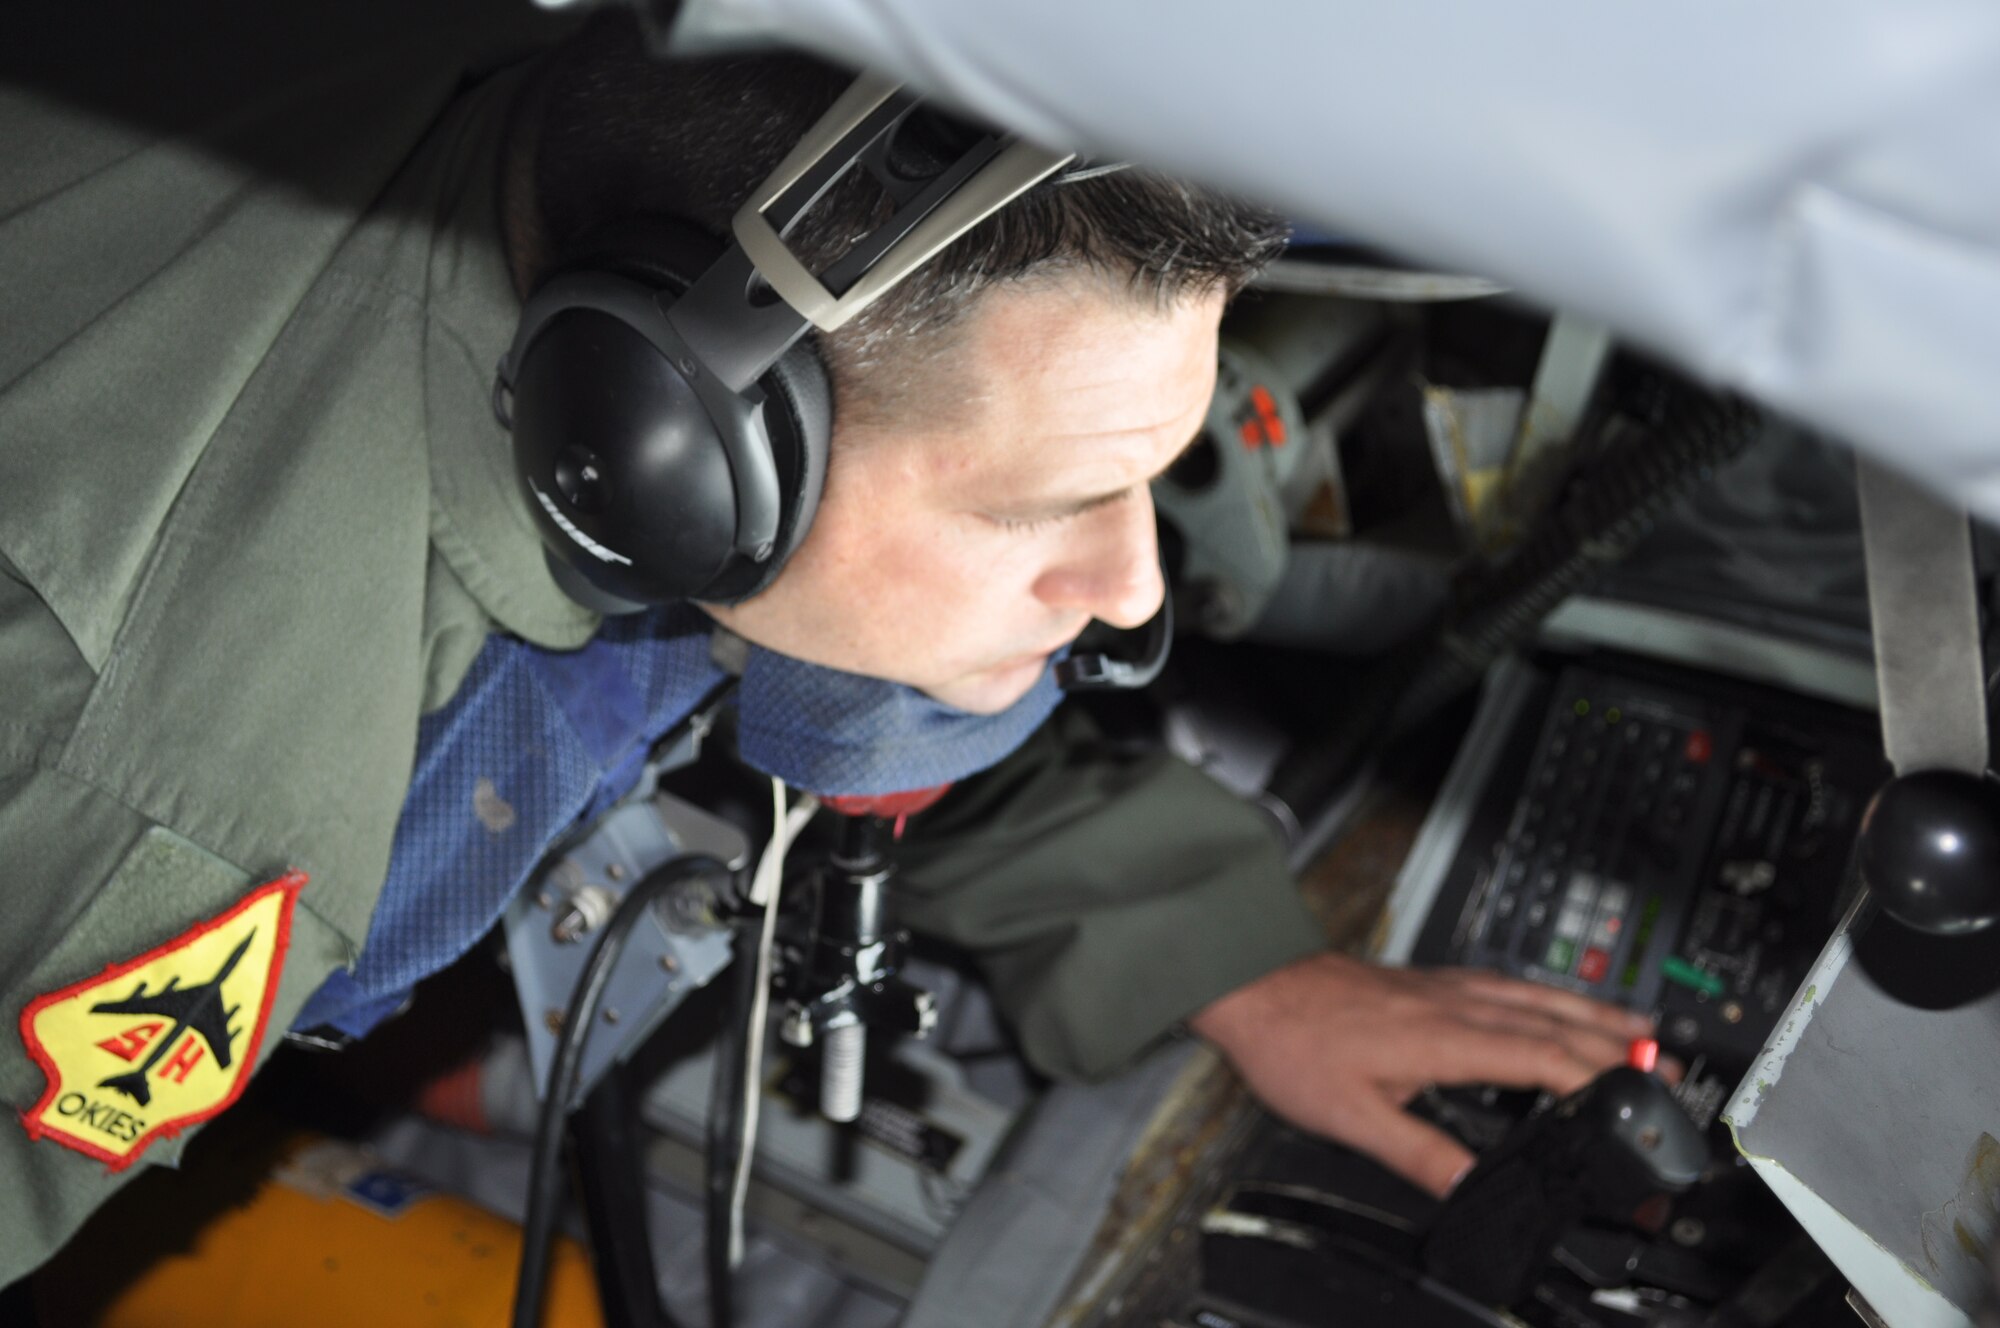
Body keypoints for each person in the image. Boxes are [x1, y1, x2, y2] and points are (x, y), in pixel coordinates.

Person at [0, 0, 1644, 1285]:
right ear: (665, 453)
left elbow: (834, 641)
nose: (1133, 590)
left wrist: (1214, 950)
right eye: (1047, 509)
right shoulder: (155, 792)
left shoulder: (605, 173)